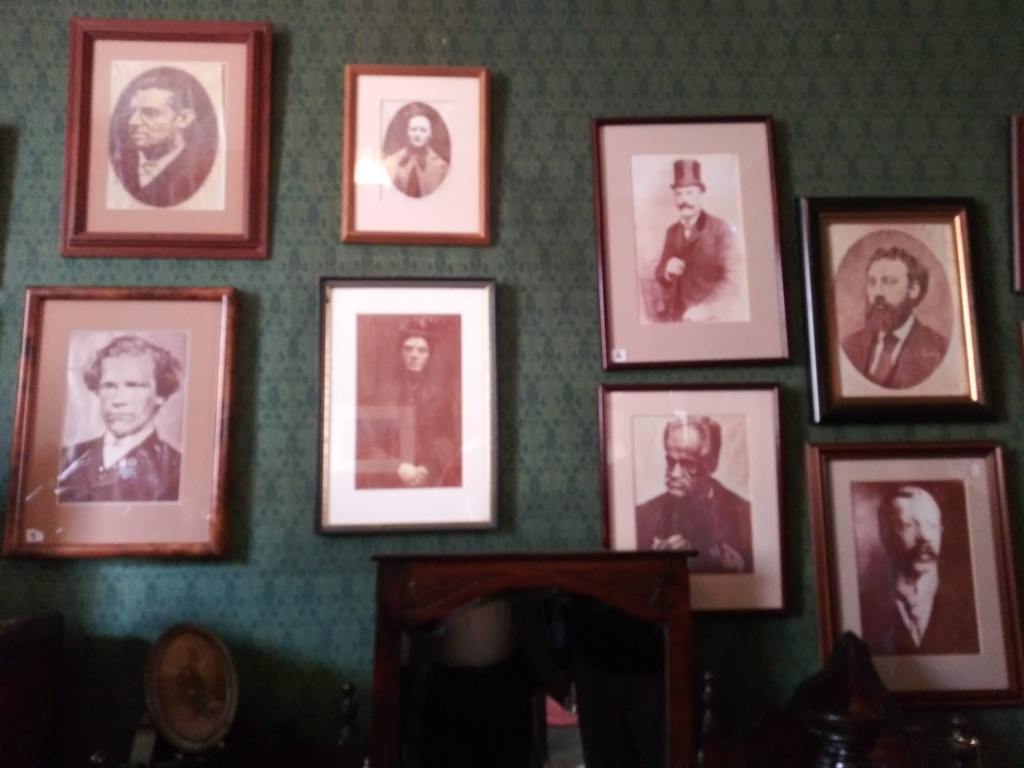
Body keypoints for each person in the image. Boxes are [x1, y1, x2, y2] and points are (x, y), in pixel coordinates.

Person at [57, 335, 183, 503]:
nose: (118, 400)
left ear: (161, 394)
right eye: (109, 386)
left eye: (133, 386)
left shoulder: (177, 469)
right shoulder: (66, 459)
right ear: (97, 391)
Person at [859, 485, 979, 655]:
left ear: (941, 531)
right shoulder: (864, 612)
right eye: (908, 525)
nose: (924, 536)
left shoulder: (971, 608)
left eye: (932, 525)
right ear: (884, 534)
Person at [634, 416, 753, 572]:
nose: (675, 474)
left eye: (688, 463)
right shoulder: (643, 516)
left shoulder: (744, 513)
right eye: (670, 461)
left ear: (712, 465)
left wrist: (736, 569)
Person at [356, 318, 460, 488]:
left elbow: (446, 443)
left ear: (429, 356)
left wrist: (427, 469)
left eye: (422, 350)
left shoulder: (439, 399)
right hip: (387, 483)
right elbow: (366, 446)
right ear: (400, 353)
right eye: (408, 349)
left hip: (428, 481)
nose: (414, 355)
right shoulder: (380, 397)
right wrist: (398, 468)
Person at [840, 245, 949, 389]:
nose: (877, 292)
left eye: (889, 282)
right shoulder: (848, 345)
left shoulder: (939, 349)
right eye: (872, 282)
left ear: (913, 290)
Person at [108, 66, 218, 208]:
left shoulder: (200, 169)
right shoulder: (118, 162)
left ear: (183, 119)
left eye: (150, 113)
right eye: (132, 112)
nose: (133, 121)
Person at [650, 158, 740, 322]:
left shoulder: (720, 229)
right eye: (679, 193)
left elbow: (734, 279)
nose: (683, 200)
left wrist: (707, 308)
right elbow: (659, 274)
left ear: (701, 194)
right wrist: (666, 271)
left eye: (689, 193)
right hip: (675, 316)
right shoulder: (671, 231)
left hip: (710, 319)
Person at [383, 106, 449, 198]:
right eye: (413, 130)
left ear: (430, 134)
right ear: (407, 132)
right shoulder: (392, 162)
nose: (417, 135)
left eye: (423, 130)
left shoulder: (441, 167)